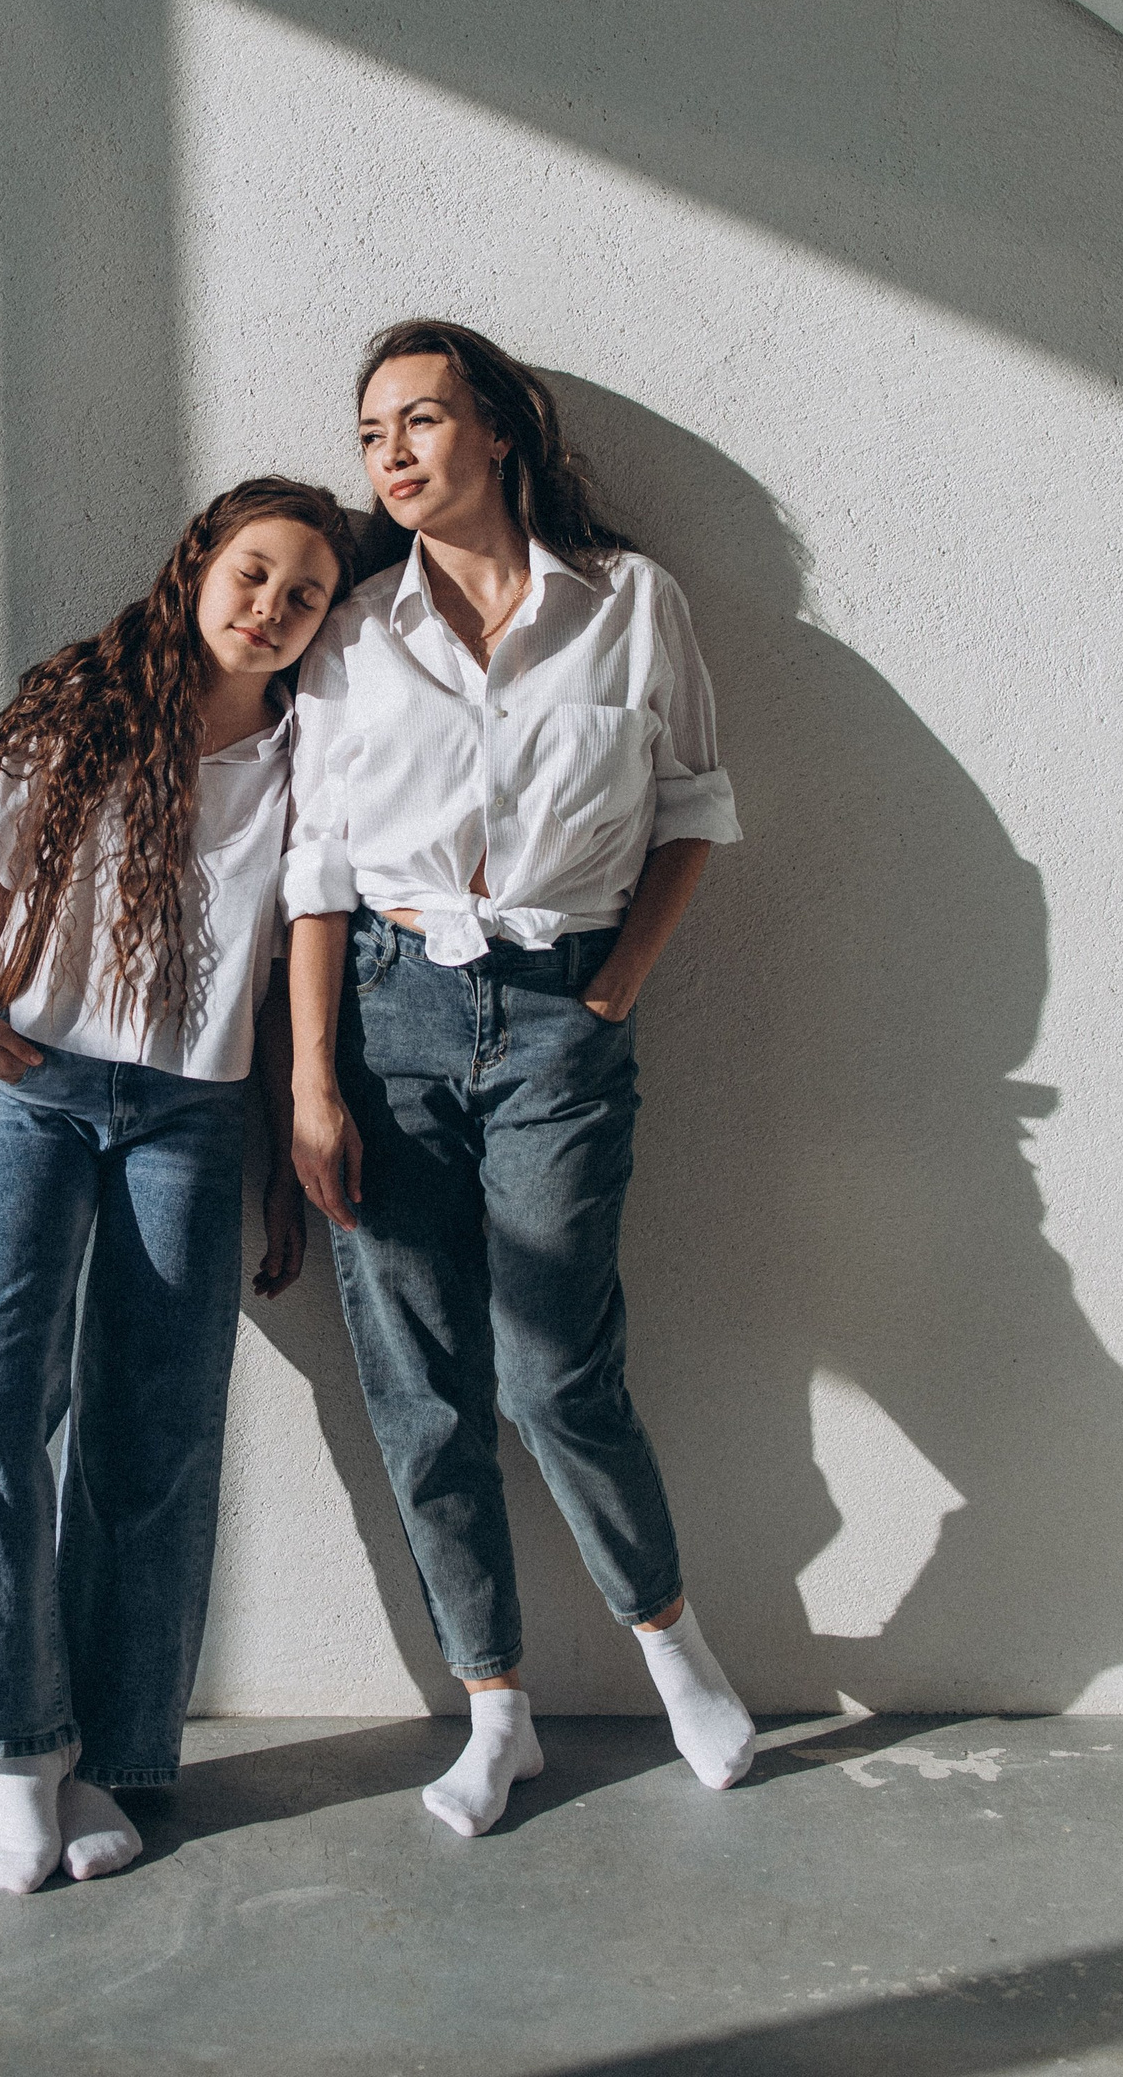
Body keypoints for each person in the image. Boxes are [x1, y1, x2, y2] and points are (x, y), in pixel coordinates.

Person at [282, 321, 756, 1836]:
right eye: (372, 434)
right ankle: (497, 1711)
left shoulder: (630, 602)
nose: (393, 456)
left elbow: (692, 808)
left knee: (553, 1370)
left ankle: (673, 1647)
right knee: (420, 1385)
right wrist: (310, 1082)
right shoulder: (354, 631)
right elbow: (317, 870)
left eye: (421, 420)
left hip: (561, 1013)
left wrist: (615, 987)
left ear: (498, 429)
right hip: (389, 1020)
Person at [0, 477, 356, 1892]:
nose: (273, 608)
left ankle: (114, 1754)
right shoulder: (85, 708)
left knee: (152, 1439)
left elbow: (289, 952)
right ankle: (20, 1753)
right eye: (255, 572)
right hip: (40, 1089)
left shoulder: (306, 754)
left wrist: (286, 1139)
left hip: (193, 1114)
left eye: (306, 595)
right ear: (198, 562)